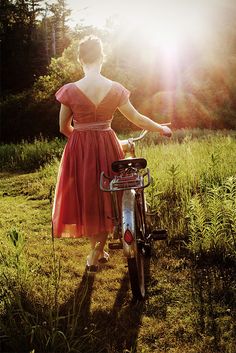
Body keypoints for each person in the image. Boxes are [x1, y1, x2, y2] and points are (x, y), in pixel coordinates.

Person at [52, 35, 172, 272]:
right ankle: (97, 251)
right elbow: (137, 118)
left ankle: (96, 251)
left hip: (79, 148)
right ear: (102, 57)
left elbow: (63, 127)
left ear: (80, 59)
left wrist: (82, 140)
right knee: (108, 196)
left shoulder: (69, 91)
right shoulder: (115, 89)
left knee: (89, 195)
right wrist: (160, 128)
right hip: (109, 144)